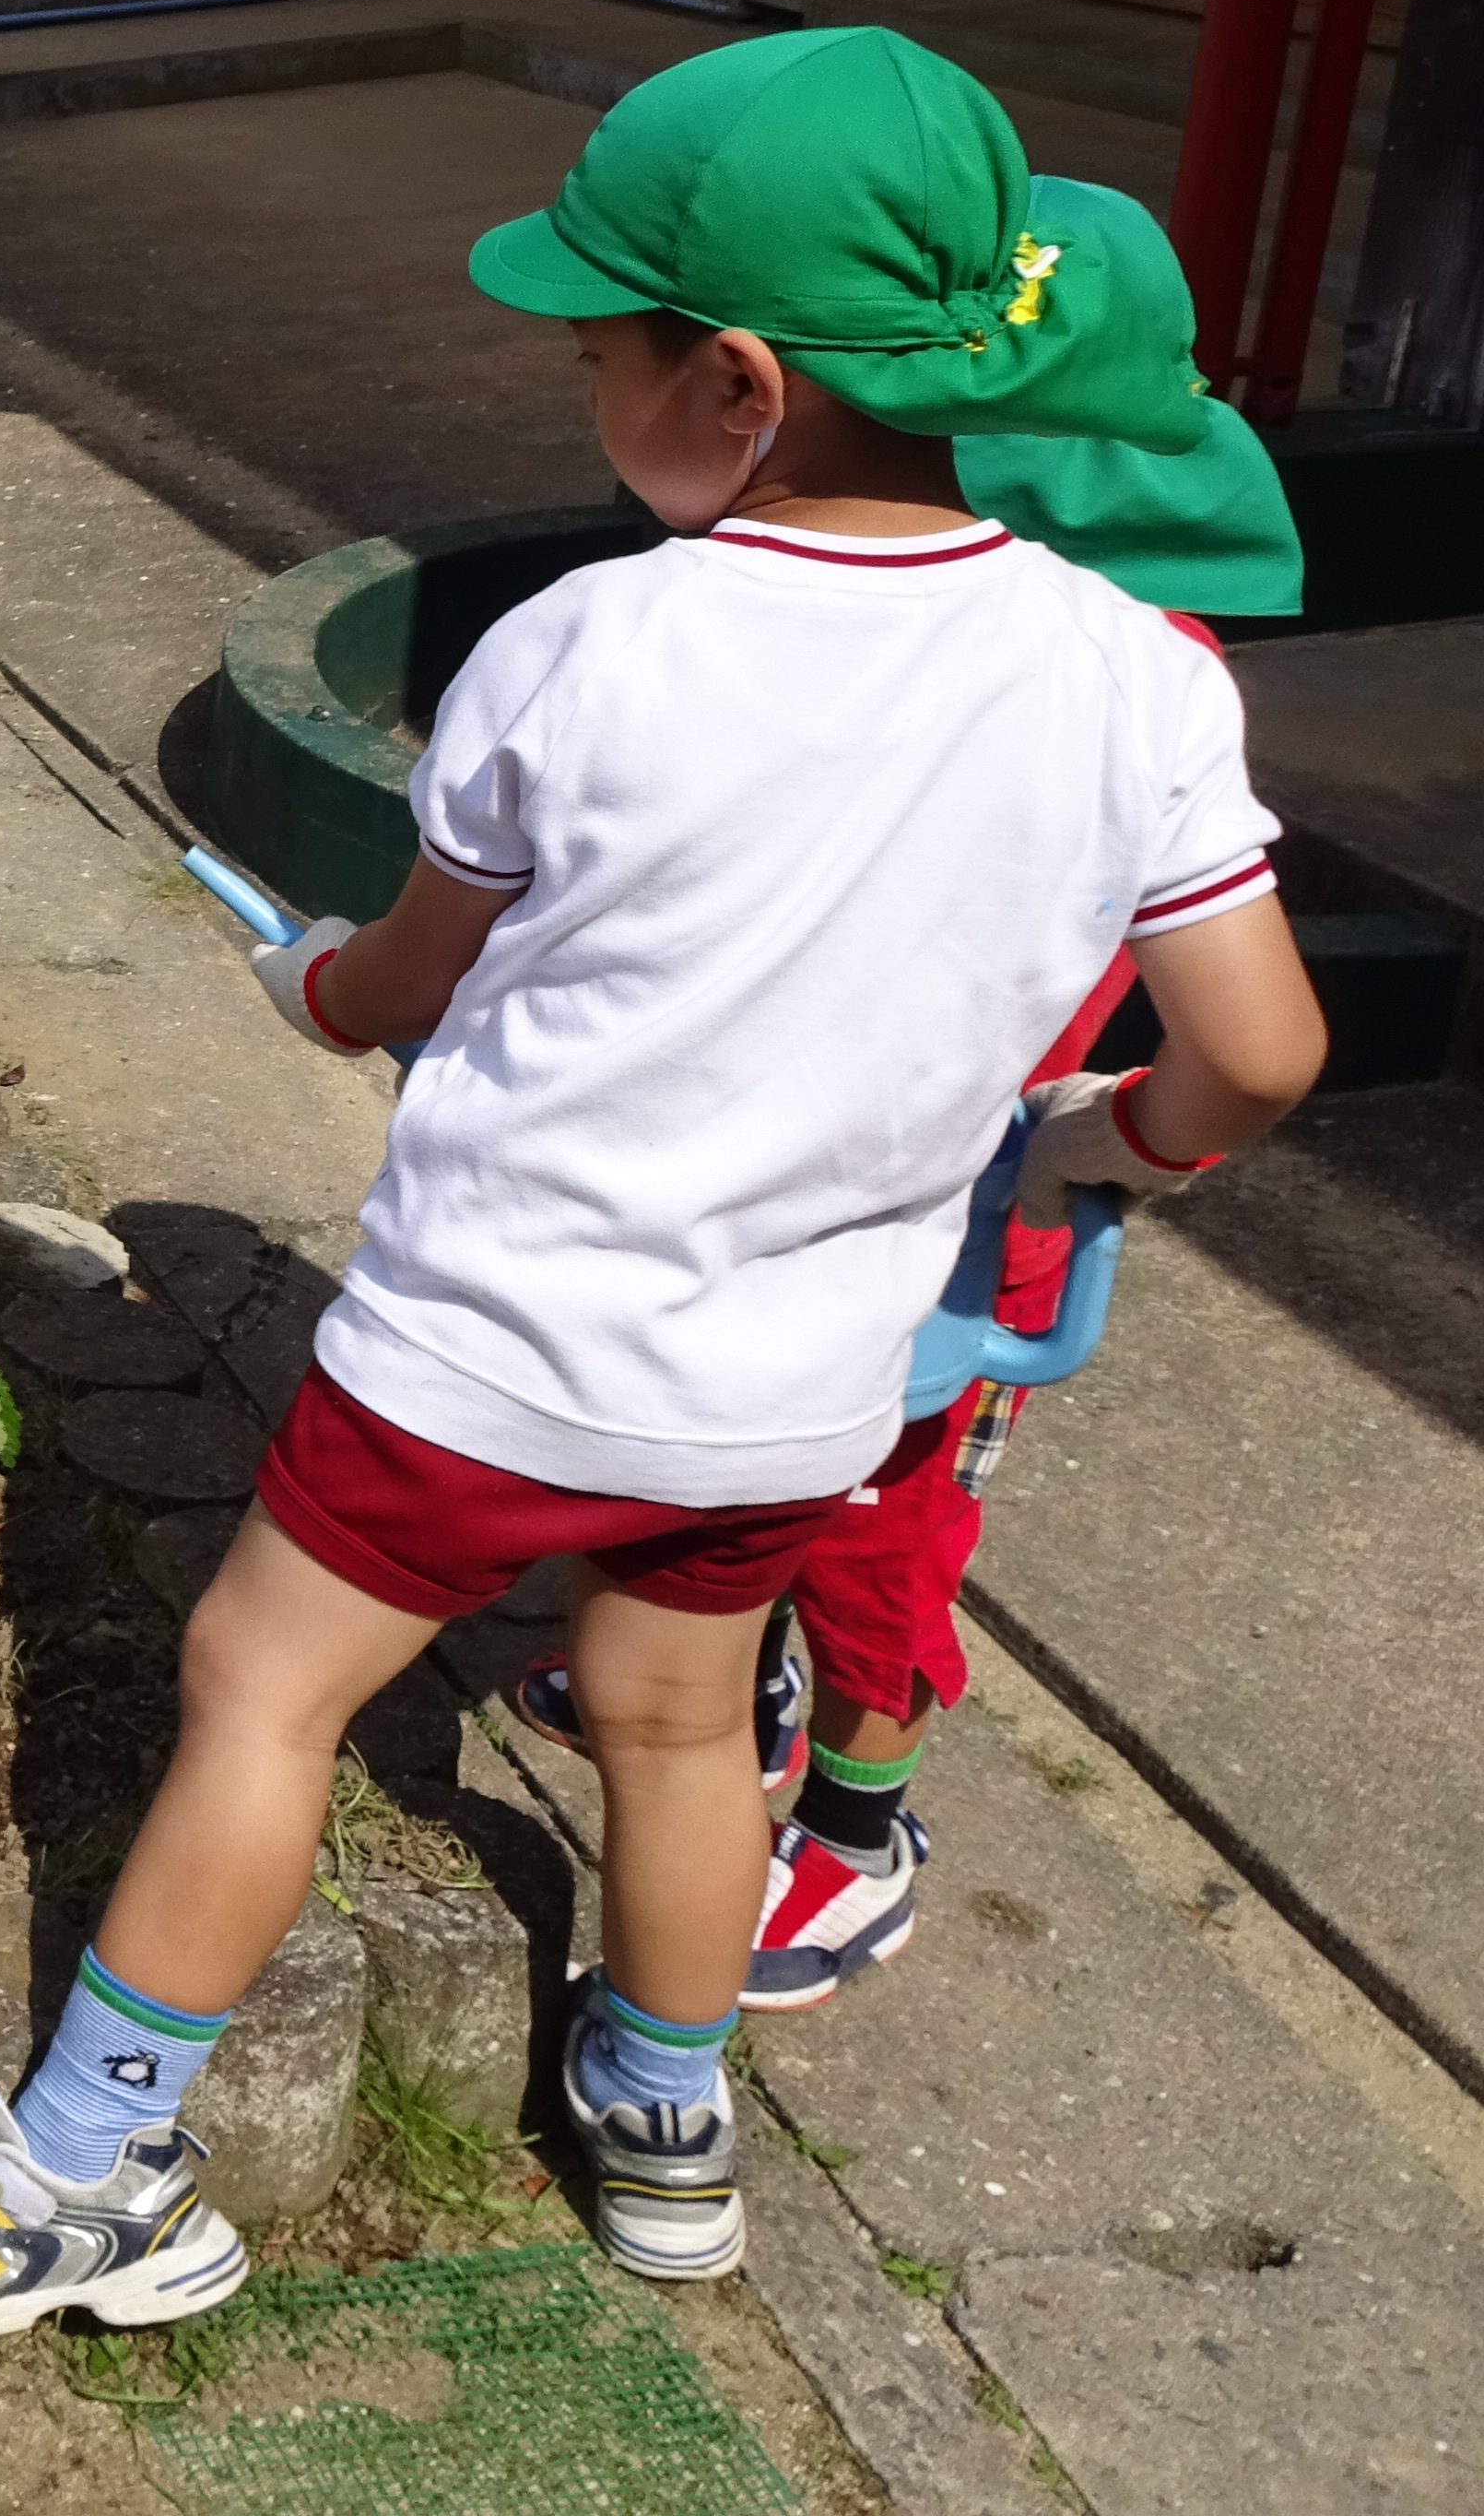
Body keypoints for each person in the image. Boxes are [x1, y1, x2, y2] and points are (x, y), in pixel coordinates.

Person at [0, 30, 1328, 2345]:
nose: (582, 392)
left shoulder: (581, 644)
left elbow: (414, 981)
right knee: (667, 1716)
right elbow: (1258, 1049)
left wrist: (313, 986)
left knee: (259, 1682)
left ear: (731, 386)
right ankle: (659, 2122)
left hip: (479, 1355)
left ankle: (76, 2167)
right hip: (793, 1389)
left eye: (598, 352)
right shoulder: (1129, 676)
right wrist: (1091, 1139)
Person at [497, 174, 1313, 2012]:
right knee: (737, 1435)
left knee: (885, 1517)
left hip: (966, 1202)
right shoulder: (989, 636)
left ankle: (858, 1832)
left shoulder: (1122, 675)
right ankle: (721, 1673)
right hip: (805, 1152)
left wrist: (1125, 1140)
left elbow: (1246, 1039)